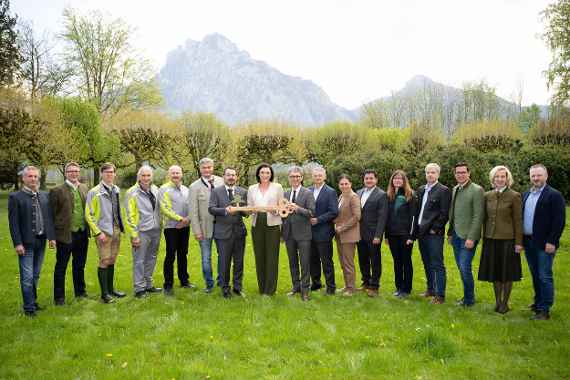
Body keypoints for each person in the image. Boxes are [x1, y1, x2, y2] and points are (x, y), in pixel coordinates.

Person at [8, 166, 56, 316]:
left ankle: (33, 302)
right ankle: (29, 308)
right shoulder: (16, 197)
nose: (33, 179)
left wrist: (51, 237)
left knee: (35, 275)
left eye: (35, 176)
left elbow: (48, 218)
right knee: (27, 277)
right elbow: (13, 223)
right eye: (30, 176)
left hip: (41, 241)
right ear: (23, 178)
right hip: (25, 244)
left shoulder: (44, 195)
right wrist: (17, 243)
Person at [522, 164, 566, 320]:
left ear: (546, 176)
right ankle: (538, 301)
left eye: (539, 175)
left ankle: (544, 309)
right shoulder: (526, 194)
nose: (536, 178)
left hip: (545, 243)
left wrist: (552, 241)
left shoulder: (554, 195)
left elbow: (559, 221)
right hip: (528, 241)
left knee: (544, 275)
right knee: (535, 274)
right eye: (533, 175)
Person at [478, 166, 523, 314]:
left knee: (507, 273)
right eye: (497, 177)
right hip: (491, 239)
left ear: (507, 178)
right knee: (495, 272)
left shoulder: (514, 196)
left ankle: (505, 303)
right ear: (493, 179)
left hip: (508, 240)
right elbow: (483, 218)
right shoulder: (487, 195)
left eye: (502, 177)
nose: (500, 179)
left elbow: (518, 220)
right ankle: (497, 301)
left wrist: (518, 243)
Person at [49, 162, 89, 305]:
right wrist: (52, 236)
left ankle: (80, 292)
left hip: (82, 233)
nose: (74, 173)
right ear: (66, 173)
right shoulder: (56, 190)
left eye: (76, 171)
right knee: (61, 266)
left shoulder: (84, 188)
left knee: (79, 265)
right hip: (65, 235)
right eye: (71, 171)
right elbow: (51, 215)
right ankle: (59, 298)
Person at [85, 163, 126, 303]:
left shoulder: (116, 189)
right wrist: (97, 232)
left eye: (112, 172)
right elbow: (88, 215)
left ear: (115, 174)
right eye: (107, 172)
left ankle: (111, 289)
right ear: (102, 174)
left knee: (112, 259)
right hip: (103, 231)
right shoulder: (94, 192)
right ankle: (104, 294)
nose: (110, 174)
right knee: (104, 260)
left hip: (115, 229)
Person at [447, 162, 485, 307]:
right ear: (455, 174)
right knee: (461, 266)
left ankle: (469, 300)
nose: (460, 175)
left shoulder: (477, 190)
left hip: (468, 236)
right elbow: (453, 213)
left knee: (464, 267)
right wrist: (450, 232)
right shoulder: (456, 189)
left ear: (469, 173)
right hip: (456, 235)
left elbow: (478, 215)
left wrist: (471, 237)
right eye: (458, 172)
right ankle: (467, 297)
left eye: (463, 172)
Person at [208, 167, 248, 298]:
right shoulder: (216, 192)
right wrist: (225, 210)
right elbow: (211, 208)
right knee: (224, 262)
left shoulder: (242, 191)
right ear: (224, 177)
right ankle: (225, 288)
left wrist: (247, 211)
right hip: (223, 233)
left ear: (236, 177)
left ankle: (237, 288)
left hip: (239, 233)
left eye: (233, 175)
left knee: (239, 262)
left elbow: (244, 211)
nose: (231, 177)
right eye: (228, 175)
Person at [124, 165, 162, 298]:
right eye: (143, 175)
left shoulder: (156, 189)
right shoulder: (132, 192)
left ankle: (148, 284)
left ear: (152, 177)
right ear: (138, 177)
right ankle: (139, 288)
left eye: (148, 175)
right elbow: (130, 216)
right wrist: (134, 235)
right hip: (141, 232)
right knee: (139, 260)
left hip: (156, 230)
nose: (146, 178)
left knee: (151, 258)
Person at [416, 163, 451, 304]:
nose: (430, 175)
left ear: (438, 174)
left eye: (433, 172)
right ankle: (430, 289)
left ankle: (440, 295)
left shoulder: (443, 190)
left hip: (434, 234)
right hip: (421, 232)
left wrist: (435, 228)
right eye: (428, 172)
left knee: (437, 263)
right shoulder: (421, 189)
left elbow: (444, 213)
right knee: (426, 262)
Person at [247, 163, 284, 296]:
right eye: (262, 172)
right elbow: (250, 207)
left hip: (272, 224)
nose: (265, 175)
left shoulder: (277, 187)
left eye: (267, 173)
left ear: (271, 174)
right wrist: (252, 210)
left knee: (272, 257)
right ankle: (262, 287)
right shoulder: (252, 188)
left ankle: (270, 289)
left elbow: (282, 207)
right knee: (260, 256)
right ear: (258, 174)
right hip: (257, 224)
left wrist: (275, 210)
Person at [189, 157, 224, 293]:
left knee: (223, 255)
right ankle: (209, 284)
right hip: (204, 229)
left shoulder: (221, 181)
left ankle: (222, 281)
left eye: (209, 167)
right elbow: (193, 211)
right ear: (200, 169)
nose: (207, 170)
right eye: (204, 168)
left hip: (222, 226)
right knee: (206, 258)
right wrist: (197, 231)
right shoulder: (194, 187)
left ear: (213, 167)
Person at [282, 166, 315, 301]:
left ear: (301, 178)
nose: (295, 179)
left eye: (297, 176)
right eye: (292, 176)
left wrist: (297, 208)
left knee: (305, 262)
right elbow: (282, 212)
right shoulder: (285, 193)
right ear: (289, 178)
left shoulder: (307, 193)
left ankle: (305, 290)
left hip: (303, 234)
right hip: (289, 233)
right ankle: (296, 287)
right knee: (292, 262)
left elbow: (311, 212)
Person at [159, 165, 192, 295]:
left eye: (178, 173)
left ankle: (184, 281)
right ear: (169, 174)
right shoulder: (164, 189)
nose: (175, 175)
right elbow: (165, 208)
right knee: (171, 254)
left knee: (183, 253)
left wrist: (187, 220)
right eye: (173, 173)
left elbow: (191, 206)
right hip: (171, 227)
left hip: (185, 226)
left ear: (182, 174)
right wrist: (180, 219)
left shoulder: (186, 189)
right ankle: (168, 284)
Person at [385, 170, 417, 298]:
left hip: (405, 235)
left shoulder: (410, 195)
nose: (397, 180)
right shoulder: (389, 196)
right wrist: (386, 235)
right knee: (396, 261)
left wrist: (411, 236)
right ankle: (399, 287)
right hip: (392, 235)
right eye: (395, 178)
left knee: (406, 261)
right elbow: (387, 218)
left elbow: (413, 217)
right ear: (392, 181)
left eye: (400, 179)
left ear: (404, 181)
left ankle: (407, 289)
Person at [356, 169, 388, 297]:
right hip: (359, 233)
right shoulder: (358, 192)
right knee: (362, 259)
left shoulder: (381, 195)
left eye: (371, 178)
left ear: (376, 180)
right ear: (363, 180)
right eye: (366, 178)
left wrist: (378, 235)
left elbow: (382, 217)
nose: (368, 180)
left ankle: (374, 286)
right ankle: (366, 282)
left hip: (373, 234)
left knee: (374, 260)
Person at [308, 166, 339, 295]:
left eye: (320, 175)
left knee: (326, 261)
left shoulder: (330, 192)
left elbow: (334, 211)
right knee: (312, 259)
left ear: (324, 177)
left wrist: (318, 220)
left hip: (324, 231)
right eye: (315, 175)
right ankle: (316, 283)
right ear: (312, 177)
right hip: (309, 232)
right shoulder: (308, 190)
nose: (318, 177)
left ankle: (331, 287)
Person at [334, 174, 361, 297]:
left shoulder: (353, 197)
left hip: (349, 235)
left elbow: (357, 216)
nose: (344, 186)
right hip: (339, 234)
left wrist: (342, 228)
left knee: (348, 262)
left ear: (350, 184)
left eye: (346, 183)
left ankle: (351, 288)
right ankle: (347, 285)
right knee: (343, 261)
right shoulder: (341, 196)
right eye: (341, 184)